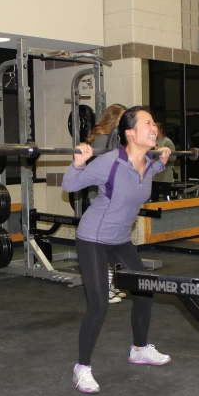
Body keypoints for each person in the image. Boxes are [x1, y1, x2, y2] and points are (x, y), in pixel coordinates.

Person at [62, 106, 172, 393]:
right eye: (147, 123)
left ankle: (139, 348)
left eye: (153, 123)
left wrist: (163, 160)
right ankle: (81, 368)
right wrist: (78, 164)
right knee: (98, 304)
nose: (154, 128)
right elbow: (69, 184)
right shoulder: (109, 162)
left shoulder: (147, 163)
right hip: (94, 238)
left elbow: (149, 172)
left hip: (120, 239)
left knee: (145, 290)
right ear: (130, 132)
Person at [85, 103, 127, 304]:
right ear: (114, 119)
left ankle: (110, 285)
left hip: (113, 198)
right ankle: (105, 290)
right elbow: (98, 172)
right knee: (104, 245)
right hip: (102, 198)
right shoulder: (102, 140)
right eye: (123, 118)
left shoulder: (116, 140)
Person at [151, 121, 177, 201]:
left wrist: (163, 154)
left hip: (165, 177)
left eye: (155, 129)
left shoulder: (167, 141)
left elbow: (173, 158)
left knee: (167, 198)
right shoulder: (152, 142)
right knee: (154, 198)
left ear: (160, 130)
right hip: (155, 177)